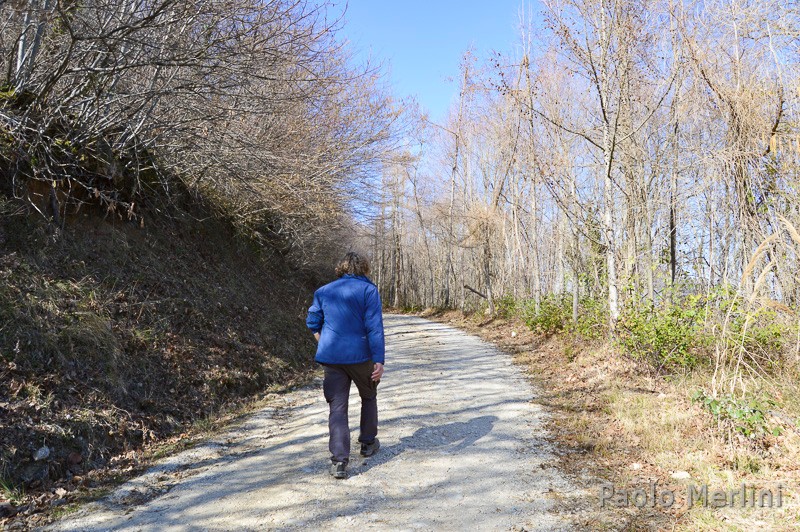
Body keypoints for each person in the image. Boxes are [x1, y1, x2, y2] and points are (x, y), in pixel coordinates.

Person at [306, 252, 385, 479]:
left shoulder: (323, 291)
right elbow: (374, 327)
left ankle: (339, 461)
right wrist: (378, 359)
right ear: (364, 268)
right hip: (362, 357)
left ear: (341, 268)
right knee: (368, 396)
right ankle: (368, 443)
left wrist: (324, 343)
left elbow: (313, 322)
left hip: (332, 359)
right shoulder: (369, 290)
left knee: (337, 408)